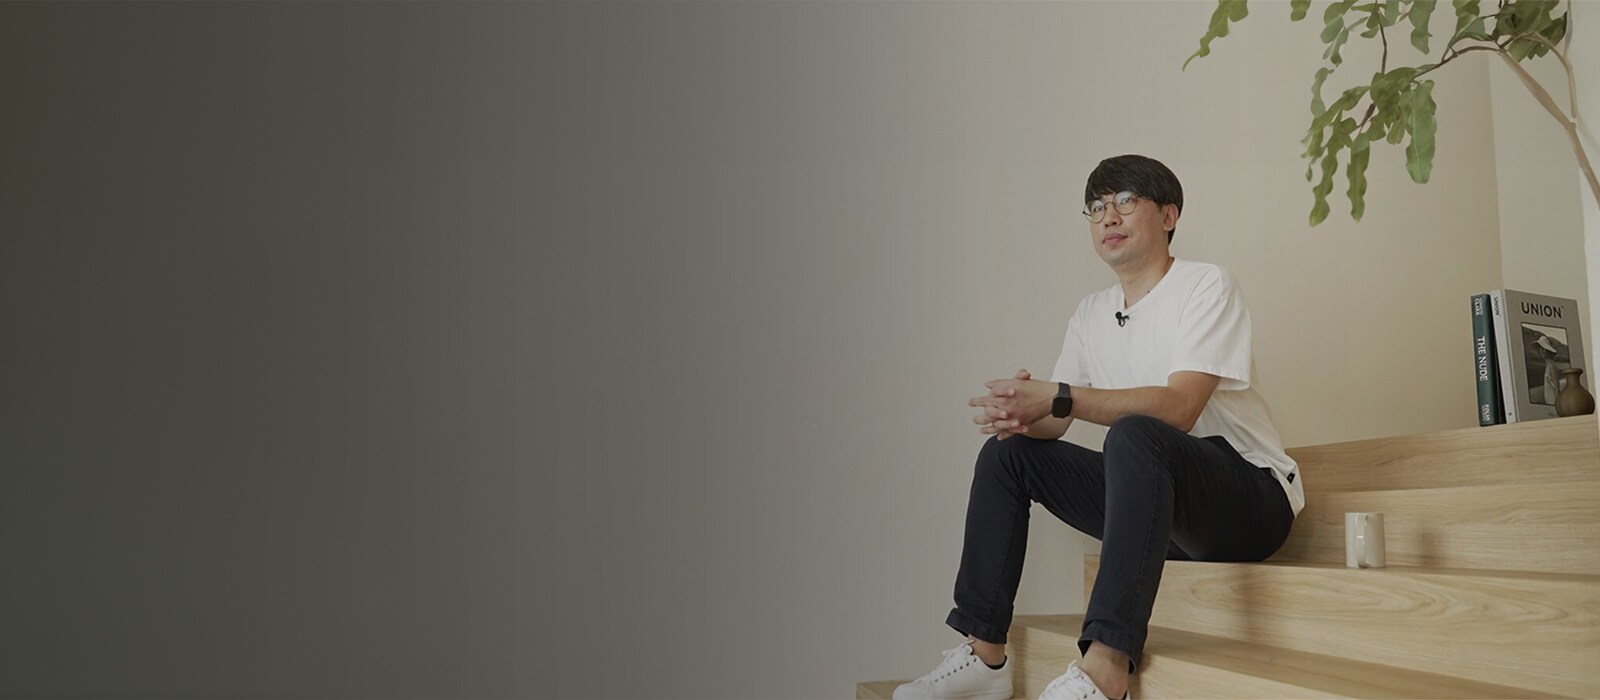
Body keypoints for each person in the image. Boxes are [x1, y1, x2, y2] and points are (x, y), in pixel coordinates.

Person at [893, 155, 1304, 700]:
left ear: (1169, 215)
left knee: (1133, 433)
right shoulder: (1091, 313)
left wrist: (1059, 396)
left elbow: (1180, 409)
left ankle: (1107, 667)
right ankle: (984, 656)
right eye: (1096, 207)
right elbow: (1059, 421)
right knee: (1007, 454)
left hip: (1250, 500)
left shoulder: (1207, 285)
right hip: (1164, 515)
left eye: (1126, 201)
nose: (1109, 216)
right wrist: (1023, 413)